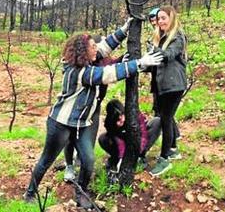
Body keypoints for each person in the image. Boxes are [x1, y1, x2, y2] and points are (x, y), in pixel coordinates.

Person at [24, 19, 163, 209]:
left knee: (88, 161)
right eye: (92, 46)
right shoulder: (80, 72)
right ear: (83, 52)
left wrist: (124, 29)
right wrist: (139, 63)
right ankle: (30, 193)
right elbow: (107, 74)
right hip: (61, 123)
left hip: (82, 124)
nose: (96, 48)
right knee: (46, 160)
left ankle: (80, 193)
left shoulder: (88, 61)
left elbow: (105, 47)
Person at [63, 44, 124, 183]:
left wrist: (125, 58)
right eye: (93, 48)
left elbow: (114, 65)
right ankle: (69, 166)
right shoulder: (81, 65)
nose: (96, 51)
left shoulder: (103, 61)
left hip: (94, 108)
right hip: (77, 109)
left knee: (89, 137)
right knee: (71, 138)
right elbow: (105, 73)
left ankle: (83, 164)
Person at [149, 6, 187, 177]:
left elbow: (168, 55)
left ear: (171, 18)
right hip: (162, 86)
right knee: (167, 118)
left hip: (174, 85)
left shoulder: (177, 36)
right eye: (159, 19)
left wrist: (153, 51)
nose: (160, 21)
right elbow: (157, 63)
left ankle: (164, 159)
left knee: (165, 119)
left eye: (164, 18)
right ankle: (172, 150)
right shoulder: (162, 37)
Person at [98, 99, 161, 183]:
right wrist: (121, 158)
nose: (122, 121)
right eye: (118, 120)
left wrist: (138, 151)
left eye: (122, 117)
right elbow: (118, 141)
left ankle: (140, 157)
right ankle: (115, 159)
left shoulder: (134, 114)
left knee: (156, 122)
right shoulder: (110, 123)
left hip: (138, 141)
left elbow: (143, 134)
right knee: (103, 138)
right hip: (123, 144)